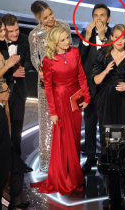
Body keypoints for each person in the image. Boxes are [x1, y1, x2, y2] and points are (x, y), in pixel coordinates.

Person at [30, 25, 91, 195]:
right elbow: (48, 88)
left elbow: (81, 75)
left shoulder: (74, 52)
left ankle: (72, 172)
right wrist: (53, 112)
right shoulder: (48, 61)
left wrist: (86, 96)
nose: (67, 41)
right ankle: (65, 177)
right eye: (63, 39)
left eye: (67, 38)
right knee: (64, 139)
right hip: (60, 101)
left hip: (75, 99)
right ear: (55, 42)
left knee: (75, 136)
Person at [29, 0, 72, 173]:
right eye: (45, 17)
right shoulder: (35, 35)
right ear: (38, 18)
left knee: (66, 119)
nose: (50, 19)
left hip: (64, 80)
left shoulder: (64, 26)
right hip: (46, 82)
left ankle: (66, 157)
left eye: (51, 14)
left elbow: (68, 50)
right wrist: (41, 70)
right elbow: (34, 57)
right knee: (47, 121)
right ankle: (47, 163)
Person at [78, 3, 112, 175]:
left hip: (108, 87)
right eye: (96, 16)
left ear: (108, 18)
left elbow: (111, 58)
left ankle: (106, 157)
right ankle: (91, 157)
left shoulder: (114, 34)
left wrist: (104, 37)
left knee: (106, 125)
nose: (98, 19)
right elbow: (80, 57)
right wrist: (87, 37)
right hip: (90, 87)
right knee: (90, 124)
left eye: (102, 15)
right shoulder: (87, 34)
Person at [0, 79, 29, 210]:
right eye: (6, 90)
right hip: (0, 159)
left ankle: (15, 203)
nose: (9, 91)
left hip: (7, 150)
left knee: (19, 168)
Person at [92, 24, 125, 137]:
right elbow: (95, 80)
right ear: (112, 37)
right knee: (107, 134)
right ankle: (107, 155)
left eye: (123, 38)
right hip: (105, 98)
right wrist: (105, 71)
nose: (119, 41)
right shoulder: (102, 53)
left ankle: (124, 155)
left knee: (124, 134)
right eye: (117, 37)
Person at [0, 14, 33, 173]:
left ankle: (17, 161)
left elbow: (30, 60)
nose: (15, 34)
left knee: (18, 127)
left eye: (17, 29)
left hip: (19, 91)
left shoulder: (25, 39)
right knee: (3, 128)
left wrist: (22, 69)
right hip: (1, 93)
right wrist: (11, 74)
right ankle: (2, 162)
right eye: (11, 31)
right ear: (3, 30)